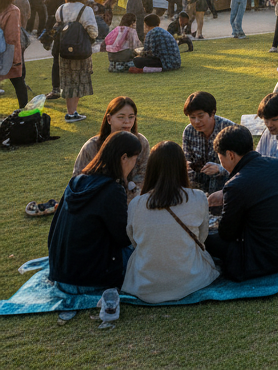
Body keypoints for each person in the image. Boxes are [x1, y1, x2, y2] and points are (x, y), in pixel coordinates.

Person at [204, 125, 278, 281]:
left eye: (221, 158)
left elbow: (227, 233)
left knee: (205, 238)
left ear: (230, 155)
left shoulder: (236, 185)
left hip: (265, 259)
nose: (222, 163)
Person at [122, 141, 219, 303]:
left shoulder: (136, 204)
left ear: (151, 168)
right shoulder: (198, 197)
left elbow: (134, 241)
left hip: (144, 286)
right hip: (191, 281)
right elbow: (202, 238)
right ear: (182, 167)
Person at [47, 131, 142, 294]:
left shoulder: (76, 182)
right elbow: (124, 238)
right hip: (92, 280)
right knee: (145, 248)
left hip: (60, 275)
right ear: (124, 158)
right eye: (135, 159)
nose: (134, 164)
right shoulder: (112, 190)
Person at [73, 96, 151, 194]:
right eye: (121, 117)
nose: (127, 121)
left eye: (131, 117)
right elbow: (77, 180)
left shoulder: (141, 142)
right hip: (99, 198)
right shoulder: (92, 146)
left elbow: (144, 176)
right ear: (109, 119)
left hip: (133, 199)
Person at [55, 0, 99, 123]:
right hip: (80, 50)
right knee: (79, 80)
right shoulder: (86, 10)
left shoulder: (61, 8)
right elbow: (93, 32)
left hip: (64, 50)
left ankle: (70, 112)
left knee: (67, 80)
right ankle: (72, 113)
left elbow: (57, 26)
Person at [182, 91, 235, 195]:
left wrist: (220, 169)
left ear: (213, 112)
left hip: (225, 185)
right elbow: (187, 161)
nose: (196, 121)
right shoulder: (189, 132)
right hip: (198, 185)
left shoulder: (229, 130)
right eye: (192, 117)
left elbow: (243, 166)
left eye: (200, 116)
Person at [0, 0, 28, 108]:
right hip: (8, 51)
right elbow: (12, 37)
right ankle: (23, 110)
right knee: (18, 81)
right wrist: (16, 58)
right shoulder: (13, 10)